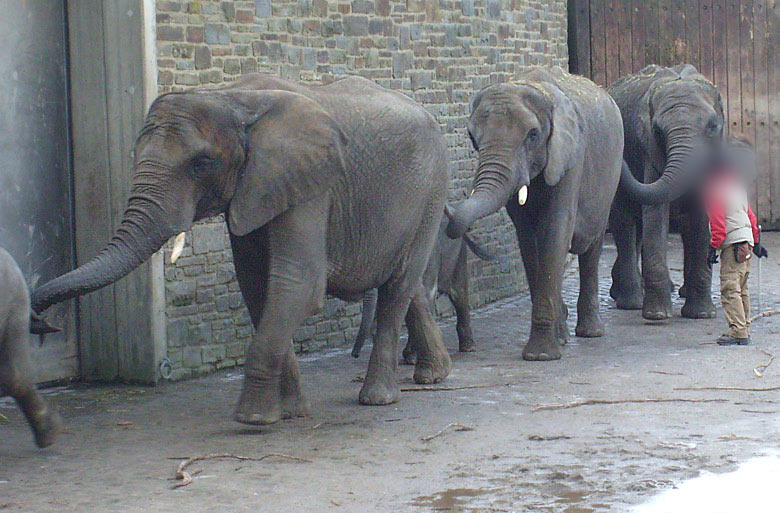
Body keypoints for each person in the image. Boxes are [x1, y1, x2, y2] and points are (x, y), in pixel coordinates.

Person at [706, 137, 769, 346]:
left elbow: (717, 223)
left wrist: (713, 247)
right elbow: (751, 218)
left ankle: (738, 332)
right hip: (746, 242)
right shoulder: (736, 188)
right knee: (742, 287)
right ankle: (744, 327)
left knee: (730, 287)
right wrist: (756, 244)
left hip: (732, 244)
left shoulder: (715, 189)